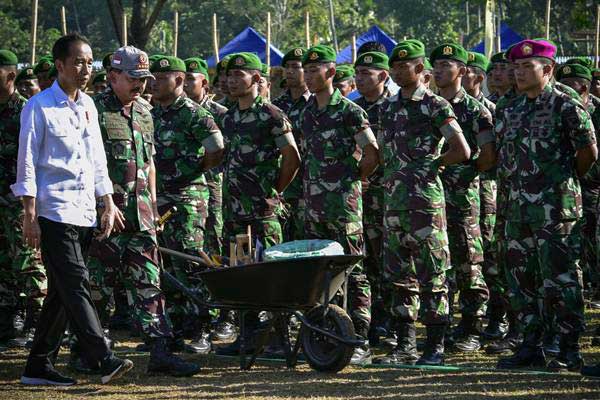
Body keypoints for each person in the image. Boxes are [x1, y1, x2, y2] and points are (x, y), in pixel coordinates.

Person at [11, 33, 133, 386]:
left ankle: (38, 365)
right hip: (52, 210)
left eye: (89, 62)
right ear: (60, 65)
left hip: (83, 211)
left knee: (62, 292)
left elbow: (97, 159)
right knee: (76, 283)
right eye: (77, 62)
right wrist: (29, 213)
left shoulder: (88, 106)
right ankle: (102, 357)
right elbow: (28, 163)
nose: (85, 69)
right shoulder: (38, 106)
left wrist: (107, 200)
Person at [495, 39, 597, 371]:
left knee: (562, 279)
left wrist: (563, 181)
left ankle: (568, 348)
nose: (519, 72)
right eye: (516, 67)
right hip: (517, 209)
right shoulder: (509, 108)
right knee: (521, 279)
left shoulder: (565, 106)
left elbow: (588, 153)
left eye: (527, 67)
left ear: (548, 69)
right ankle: (531, 344)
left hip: (557, 209)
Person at [373, 39, 470, 366]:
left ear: (420, 69)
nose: (400, 71)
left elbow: (462, 149)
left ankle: (435, 345)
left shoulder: (434, 105)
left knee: (433, 273)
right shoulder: (387, 108)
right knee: (398, 275)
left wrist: (433, 164)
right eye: (395, 67)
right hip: (394, 204)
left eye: (406, 66)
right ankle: (405, 345)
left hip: (425, 204)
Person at [216, 52, 300, 355]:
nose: (233, 80)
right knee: (242, 274)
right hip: (236, 213)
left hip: (262, 213)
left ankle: (280, 338)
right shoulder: (227, 117)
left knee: (272, 273)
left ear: (256, 79)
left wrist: (275, 191)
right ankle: (247, 336)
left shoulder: (271, 115)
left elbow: (292, 158)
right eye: (230, 75)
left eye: (241, 75)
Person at [300, 45, 379, 364]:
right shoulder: (307, 112)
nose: (307, 77)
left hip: (343, 206)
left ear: (331, 73)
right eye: (305, 71)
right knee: (320, 271)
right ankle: (327, 331)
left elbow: (372, 153)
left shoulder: (349, 111)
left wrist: (351, 180)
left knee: (353, 270)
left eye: (313, 71)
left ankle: (359, 337)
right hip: (313, 205)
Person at [151, 55, 225, 354]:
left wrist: (193, 172)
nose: (153, 83)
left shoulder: (194, 114)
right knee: (167, 262)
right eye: (151, 78)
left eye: (160, 78)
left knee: (192, 260)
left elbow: (217, 149)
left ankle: (203, 326)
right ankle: (178, 323)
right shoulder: (150, 112)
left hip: (187, 197)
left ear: (179, 80)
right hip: (158, 197)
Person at [431, 43, 495, 353]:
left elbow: (488, 155)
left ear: (463, 71)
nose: (440, 70)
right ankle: (441, 324)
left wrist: (465, 171)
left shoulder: (474, 110)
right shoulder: (426, 105)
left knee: (469, 260)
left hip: (463, 194)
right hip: (431, 196)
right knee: (439, 261)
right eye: (437, 65)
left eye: (447, 64)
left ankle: (471, 326)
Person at [463, 51, 507, 342]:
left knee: (489, 254)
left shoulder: (488, 109)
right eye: (494, 71)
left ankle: (496, 316)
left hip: (490, 189)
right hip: (465, 191)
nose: (497, 76)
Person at [353, 51, 392, 347]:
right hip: (358, 197)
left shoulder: (392, 109)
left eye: (368, 74)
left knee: (385, 259)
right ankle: (365, 320)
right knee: (362, 260)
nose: (360, 79)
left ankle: (385, 321)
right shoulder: (352, 109)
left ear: (384, 76)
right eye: (358, 73)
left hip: (388, 196)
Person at [272, 47, 311, 242]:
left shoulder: (316, 103)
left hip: (312, 186)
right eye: (287, 67)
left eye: (296, 67)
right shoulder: (276, 106)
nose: (289, 71)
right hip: (285, 185)